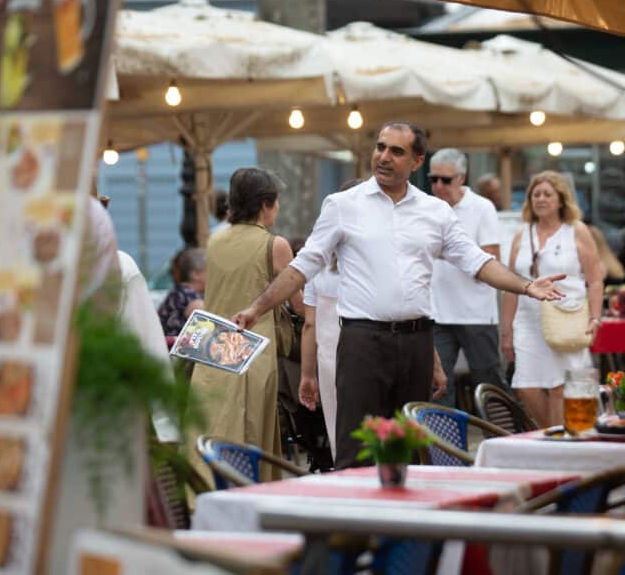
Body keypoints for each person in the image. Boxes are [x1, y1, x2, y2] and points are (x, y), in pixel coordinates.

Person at [231, 122, 565, 469]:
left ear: (418, 161)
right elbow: (303, 267)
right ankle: (354, 523)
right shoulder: (343, 204)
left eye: (397, 151)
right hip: (362, 341)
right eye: (380, 147)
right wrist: (258, 307)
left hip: (417, 342)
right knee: (356, 449)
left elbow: (477, 261)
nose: (384, 157)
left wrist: (526, 286)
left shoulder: (435, 211)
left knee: (412, 449)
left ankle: (407, 522)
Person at [190, 167, 303, 482]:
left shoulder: (215, 240)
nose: (277, 209)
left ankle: (204, 490)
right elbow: (298, 303)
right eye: (276, 202)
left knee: (212, 425)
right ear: (265, 203)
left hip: (213, 346)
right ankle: (249, 494)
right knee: (251, 431)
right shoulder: (274, 244)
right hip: (253, 346)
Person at [500, 171, 602, 428]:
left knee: (560, 385)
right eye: (536, 194)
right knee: (526, 386)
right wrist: (506, 330)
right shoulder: (521, 234)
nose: (541, 199)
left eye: (547, 194)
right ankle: (554, 432)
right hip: (528, 319)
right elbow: (512, 285)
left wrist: (595, 317)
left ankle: (560, 442)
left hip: (566, 315)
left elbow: (595, 279)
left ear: (561, 200)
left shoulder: (576, 231)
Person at [428, 148, 507, 407]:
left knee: (489, 383)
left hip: (476, 313)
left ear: (461, 178)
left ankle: (501, 443)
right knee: (439, 386)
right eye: (433, 178)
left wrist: (447, 252)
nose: (438, 185)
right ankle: (445, 447)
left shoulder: (481, 207)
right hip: (438, 312)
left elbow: (491, 256)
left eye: (445, 180)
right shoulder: (427, 208)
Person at [298, 178, 363, 462]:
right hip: (368, 353)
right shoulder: (369, 263)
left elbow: (309, 325)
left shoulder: (318, 264)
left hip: (329, 359)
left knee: (339, 430)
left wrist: (306, 374)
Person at [157, 247, 206, 337]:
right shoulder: (191, 298)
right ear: (195, 275)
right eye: (208, 271)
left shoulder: (177, 292)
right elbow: (207, 334)